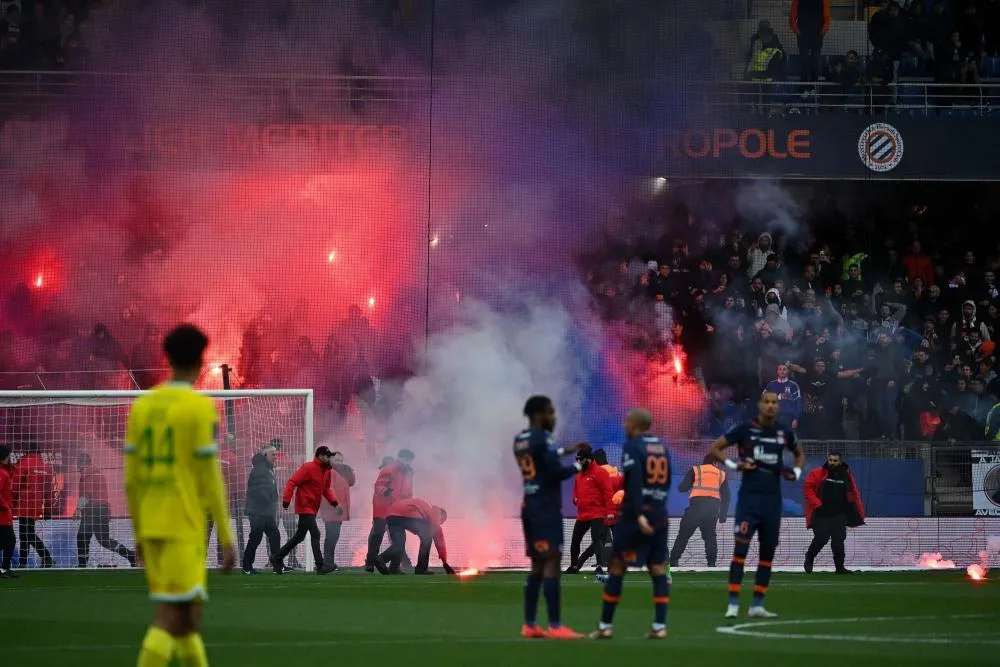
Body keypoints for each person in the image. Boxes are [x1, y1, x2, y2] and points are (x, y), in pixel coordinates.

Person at [124, 324, 236, 667]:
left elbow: (132, 480)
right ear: (202, 360)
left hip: (153, 526)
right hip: (183, 527)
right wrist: (227, 537)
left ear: (166, 357)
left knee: (189, 620)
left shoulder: (142, 407)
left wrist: (140, 532)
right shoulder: (199, 408)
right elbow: (210, 478)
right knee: (170, 617)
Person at [709, 390, 805, 619]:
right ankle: (733, 605)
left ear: (778, 407)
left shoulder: (783, 431)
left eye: (775, 402)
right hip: (749, 501)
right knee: (740, 551)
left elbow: (799, 454)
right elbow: (714, 448)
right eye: (767, 402)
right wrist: (734, 465)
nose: (771, 406)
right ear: (760, 405)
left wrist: (797, 472)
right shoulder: (745, 429)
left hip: (772, 502)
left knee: (767, 554)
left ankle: (757, 605)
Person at [588, 408, 672, 640]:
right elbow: (666, 483)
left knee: (616, 567)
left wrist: (638, 514)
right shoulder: (663, 448)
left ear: (634, 424)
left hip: (636, 517)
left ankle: (605, 626)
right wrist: (656, 510)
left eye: (627, 421)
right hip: (659, 514)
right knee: (657, 569)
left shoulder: (633, 446)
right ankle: (659, 626)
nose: (625, 425)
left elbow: (633, 482)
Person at [514, 395, 585, 640]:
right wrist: (579, 467)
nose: (554, 417)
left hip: (529, 506)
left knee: (536, 566)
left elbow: (543, 459)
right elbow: (554, 471)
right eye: (550, 412)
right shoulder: (542, 437)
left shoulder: (520, 440)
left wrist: (566, 450)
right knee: (552, 563)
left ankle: (530, 624)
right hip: (546, 508)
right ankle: (556, 626)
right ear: (538, 414)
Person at [273, 446, 339, 574]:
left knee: (299, 536)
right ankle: (320, 566)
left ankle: (277, 557)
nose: (329, 458)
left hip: (313, 507)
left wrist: (333, 500)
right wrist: (286, 500)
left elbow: (326, 489)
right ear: (320, 456)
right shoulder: (308, 468)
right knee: (316, 533)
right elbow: (292, 482)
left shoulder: (327, 471)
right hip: (305, 506)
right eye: (327, 456)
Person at [803, 451, 866, 574]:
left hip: (839, 514)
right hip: (822, 513)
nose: (832, 462)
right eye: (830, 460)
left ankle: (840, 567)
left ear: (840, 461)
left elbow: (853, 492)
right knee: (821, 539)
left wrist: (855, 509)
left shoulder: (846, 475)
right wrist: (816, 503)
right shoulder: (818, 472)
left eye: (835, 460)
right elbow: (807, 488)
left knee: (838, 541)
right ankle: (809, 558)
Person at [75, 453, 136, 567]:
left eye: (78, 463)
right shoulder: (97, 472)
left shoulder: (88, 474)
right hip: (103, 509)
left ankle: (82, 565)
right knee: (104, 540)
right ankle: (130, 555)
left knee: (82, 536)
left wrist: (78, 509)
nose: (77, 467)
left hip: (93, 510)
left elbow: (87, 493)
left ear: (82, 463)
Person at [670, 455, 730, 568]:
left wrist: (692, 484)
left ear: (703, 462)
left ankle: (674, 561)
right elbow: (726, 497)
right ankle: (711, 564)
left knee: (683, 536)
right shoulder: (721, 474)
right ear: (716, 463)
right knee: (710, 537)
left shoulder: (696, 470)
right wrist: (723, 515)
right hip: (711, 511)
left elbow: (682, 488)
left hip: (695, 509)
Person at [373, 497, 454, 575]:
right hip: (406, 513)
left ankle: (384, 562)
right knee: (427, 537)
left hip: (391, 515)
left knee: (399, 544)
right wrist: (445, 563)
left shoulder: (426, 507)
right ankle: (421, 568)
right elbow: (438, 534)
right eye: (441, 521)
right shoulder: (435, 511)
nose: (440, 524)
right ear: (441, 515)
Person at [566, 444, 614, 575]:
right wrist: (575, 499)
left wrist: (609, 512)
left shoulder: (600, 472)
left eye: (581, 460)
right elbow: (575, 490)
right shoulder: (579, 475)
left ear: (588, 459)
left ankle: (599, 565)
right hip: (582, 514)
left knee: (596, 538)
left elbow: (608, 492)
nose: (579, 463)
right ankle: (574, 566)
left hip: (597, 513)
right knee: (575, 539)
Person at [365, 448, 414, 572]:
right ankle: (370, 563)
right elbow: (378, 485)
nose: (408, 463)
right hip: (382, 507)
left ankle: (394, 566)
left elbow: (408, 492)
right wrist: (386, 492)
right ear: (399, 458)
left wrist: (408, 505)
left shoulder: (409, 473)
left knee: (398, 538)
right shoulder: (388, 470)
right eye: (406, 460)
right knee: (378, 535)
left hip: (397, 509)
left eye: (410, 461)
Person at [13, 441, 54, 568]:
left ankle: (45, 557)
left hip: (24, 503)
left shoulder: (23, 463)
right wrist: (47, 509)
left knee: (26, 533)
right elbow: (49, 491)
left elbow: (15, 486)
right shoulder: (45, 467)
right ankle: (23, 562)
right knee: (27, 533)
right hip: (36, 505)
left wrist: (11, 504)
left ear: (27, 451)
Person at [241, 444, 281, 575]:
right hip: (258, 512)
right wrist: (270, 501)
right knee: (256, 538)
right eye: (273, 454)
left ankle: (277, 565)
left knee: (274, 536)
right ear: (265, 456)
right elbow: (260, 490)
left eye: (276, 454)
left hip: (264, 511)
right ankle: (247, 566)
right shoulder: (260, 469)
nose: (276, 457)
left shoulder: (266, 468)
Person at [320, 450, 355, 571]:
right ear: (330, 460)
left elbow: (352, 482)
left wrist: (349, 470)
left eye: (341, 460)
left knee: (333, 537)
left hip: (338, 510)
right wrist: (337, 504)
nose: (339, 463)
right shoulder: (328, 472)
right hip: (331, 509)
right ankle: (327, 563)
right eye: (337, 460)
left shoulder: (341, 473)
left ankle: (329, 562)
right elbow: (328, 489)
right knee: (331, 537)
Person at [0, 445, 16, 578]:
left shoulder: (6, 471)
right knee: (10, 541)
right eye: (9, 455)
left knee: (7, 542)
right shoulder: (2, 473)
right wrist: (5, 506)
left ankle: (5, 568)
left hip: (5, 513)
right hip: (2, 514)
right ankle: (4, 568)